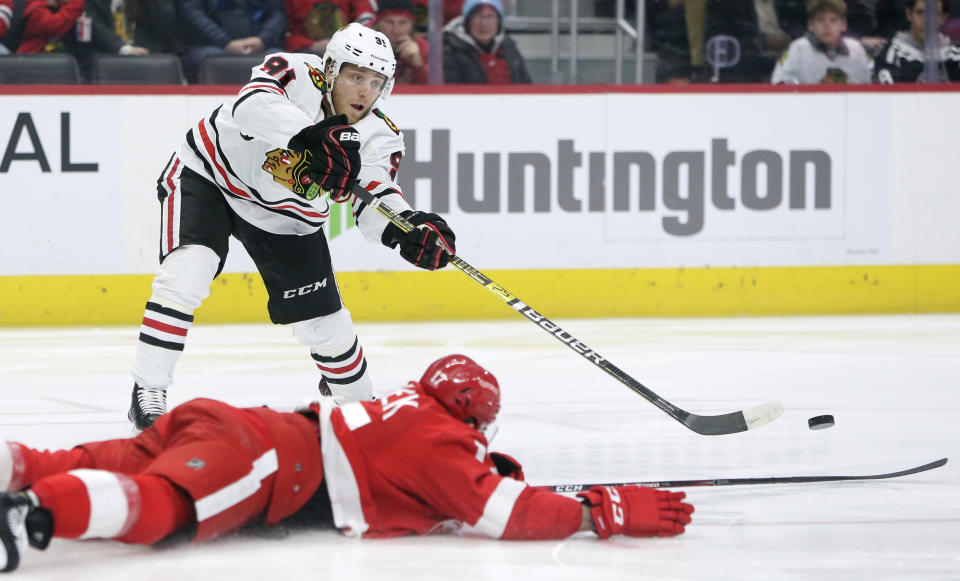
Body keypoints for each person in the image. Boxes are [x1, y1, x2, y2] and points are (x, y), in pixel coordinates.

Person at [0, 354, 695, 574]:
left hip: (235, 426)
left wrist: (491, 467)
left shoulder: (410, 408)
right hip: (266, 462)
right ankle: (33, 513)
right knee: (165, 508)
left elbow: (450, 481)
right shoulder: (444, 442)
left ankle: (20, 476)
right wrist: (592, 511)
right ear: (472, 417)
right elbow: (498, 512)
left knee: (68, 456)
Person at [126, 22, 457, 430]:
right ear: (330, 70)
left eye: (376, 82)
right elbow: (251, 104)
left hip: (286, 216)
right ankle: (148, 389)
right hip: (210, 175)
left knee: (328, 329)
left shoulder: (379, 135)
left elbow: (375, 197)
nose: (364, 91)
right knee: (187, 272)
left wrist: (405, 228)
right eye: (356, 77)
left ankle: (365, 412)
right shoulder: (295, 71)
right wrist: (314, 137)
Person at [175, 0, 286, 82]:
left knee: (281, 60)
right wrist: (225, 42)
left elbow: (278, 13)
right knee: (212, 58)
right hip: (207, 46)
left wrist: (263, 39)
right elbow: (192, 14)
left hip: (260, 45)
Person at [771, 0, 873, 84]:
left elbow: (871, 85)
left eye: (833, 20)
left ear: (843, 24)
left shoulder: (856, 50)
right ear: (810, 24)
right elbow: (778, 84)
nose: (827, 26)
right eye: (820, 20)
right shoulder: (797, 49)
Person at [442, 0, 532, 84]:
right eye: (477, 16)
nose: (484, 23)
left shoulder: (509, 48)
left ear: (498, 22)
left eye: (490, 16)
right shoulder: (450, 52)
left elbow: (527, 88)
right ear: (467, 22)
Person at [874, 0, 960, 83]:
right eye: (920, 12)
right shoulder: (891, 57)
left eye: (934, 13)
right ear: (909, 14)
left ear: (943, 18)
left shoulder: (956, 57)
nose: (926, 20)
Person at [283, 0, 375, 55]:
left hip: (348, 48)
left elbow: (366, 17)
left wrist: (351, 40)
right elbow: (283, 34)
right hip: (306, 52)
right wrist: (311, 45)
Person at [375, 0, 428, 84]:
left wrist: (418, 66)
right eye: (389, 22)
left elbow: (434, 91)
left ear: (412, 25)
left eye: (403, 22)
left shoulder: (423, 47)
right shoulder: (365, 44)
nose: (396, 30)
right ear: (378, 24)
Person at [14, 0, 83, 54]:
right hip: (32, 62)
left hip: (52, 58)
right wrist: (76, 3)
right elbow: (54, 26)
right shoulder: (36, 8)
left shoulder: (57, 6)